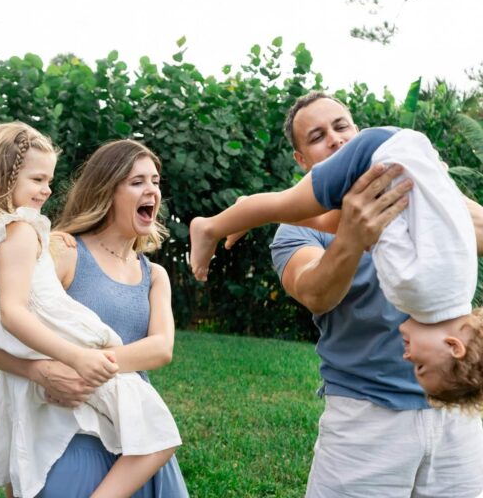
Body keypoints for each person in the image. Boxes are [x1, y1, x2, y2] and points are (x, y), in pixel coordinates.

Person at [267, 91, 483, 496]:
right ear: (302, 160)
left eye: (341, 126)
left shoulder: (419, 196)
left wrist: (439, 191)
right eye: (317, 136)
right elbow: (314, 293)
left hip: (456, 408)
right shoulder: (296, 229)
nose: (334, 139)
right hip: (365, 416)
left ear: (359, 131)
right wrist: (351, 234)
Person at [188, 124, 483, 405]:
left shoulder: (461, 288)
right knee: (284, 205)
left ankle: (249, 209)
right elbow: (377, 224)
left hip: (409, 149)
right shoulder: (411, 292)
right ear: (453, 346)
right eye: (420, 366)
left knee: (288, 207)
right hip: (377, 158)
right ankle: (209, 227)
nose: (408, 358)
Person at [0, 123, 181, 498]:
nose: (151, 190)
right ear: (107, 191)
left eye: (155, 180)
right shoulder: (63, 250)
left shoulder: (155, 275)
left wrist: (85, 364)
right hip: (71, 420)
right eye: (136, 182)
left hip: (131, 420)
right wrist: (43, 370)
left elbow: (161, 348)